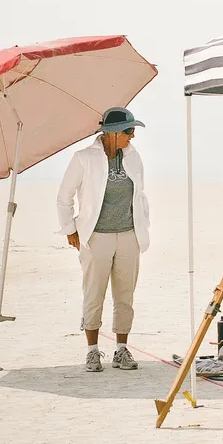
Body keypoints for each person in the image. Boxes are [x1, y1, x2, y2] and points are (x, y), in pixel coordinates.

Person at [57, 107, 151, 373]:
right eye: (128, 131)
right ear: (111, 134)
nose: (132, 137)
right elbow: (64, 197)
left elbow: (141, 195)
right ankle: (92, 351)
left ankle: (121, 350)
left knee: (125, 297)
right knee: (93, 294)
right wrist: (70, 230)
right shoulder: (83, 158)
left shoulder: (133, 157)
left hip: (129, 236)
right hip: (96, 238)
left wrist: (143, 224)